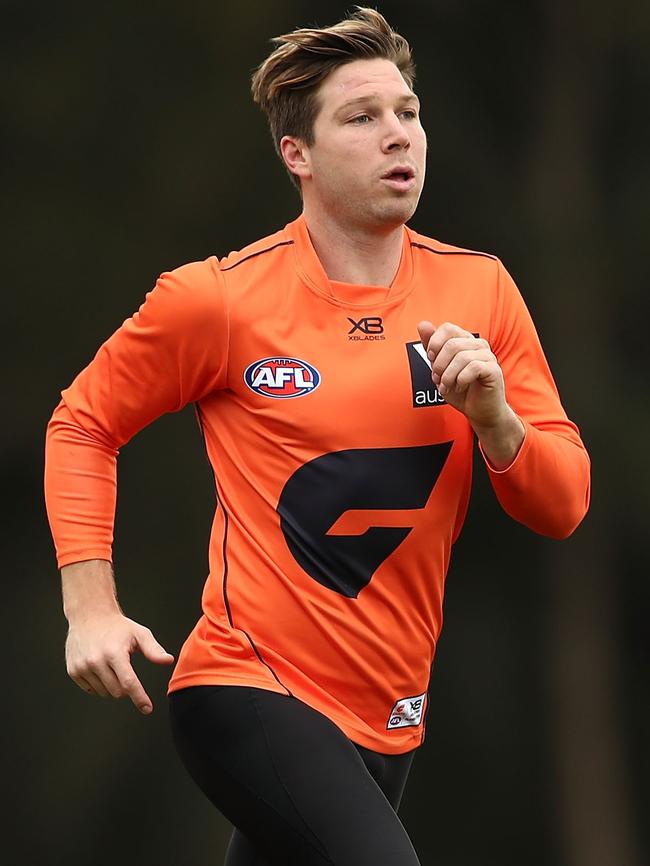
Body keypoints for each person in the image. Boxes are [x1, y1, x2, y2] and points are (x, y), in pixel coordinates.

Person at [44, 8, 591, 866]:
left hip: (389, 721)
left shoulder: (480, 291)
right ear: (297, 155)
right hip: (245, 689)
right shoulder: (216, 300)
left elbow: (562, 508)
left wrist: (495, 418)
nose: (397, 135)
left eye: (407, 112)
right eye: (362, 117)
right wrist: (91, 610)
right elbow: (83, 422)